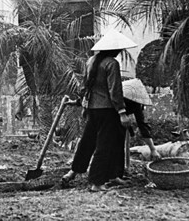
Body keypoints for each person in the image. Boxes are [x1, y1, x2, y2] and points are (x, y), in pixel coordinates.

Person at [63, 30, 137, 192]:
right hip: (107, 110)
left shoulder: (91, 61)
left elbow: (84, 87)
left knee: (87, 142)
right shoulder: (112, 64)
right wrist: (122, 113)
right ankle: (96, 182)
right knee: (105, 146)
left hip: (92, 109)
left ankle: (76, 172)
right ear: (115, 50)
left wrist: (82, 104)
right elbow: (115, 91)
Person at [62, 78, 161, 186]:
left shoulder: (135, 104)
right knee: (87, 142)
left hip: (116, 124)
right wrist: (77, 102)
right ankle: (74, 172)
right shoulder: (111, 93)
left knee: (116, 149)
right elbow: (94, 98)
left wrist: (152, 149)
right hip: (99, 117)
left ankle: (114, 176)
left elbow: (142, 126)